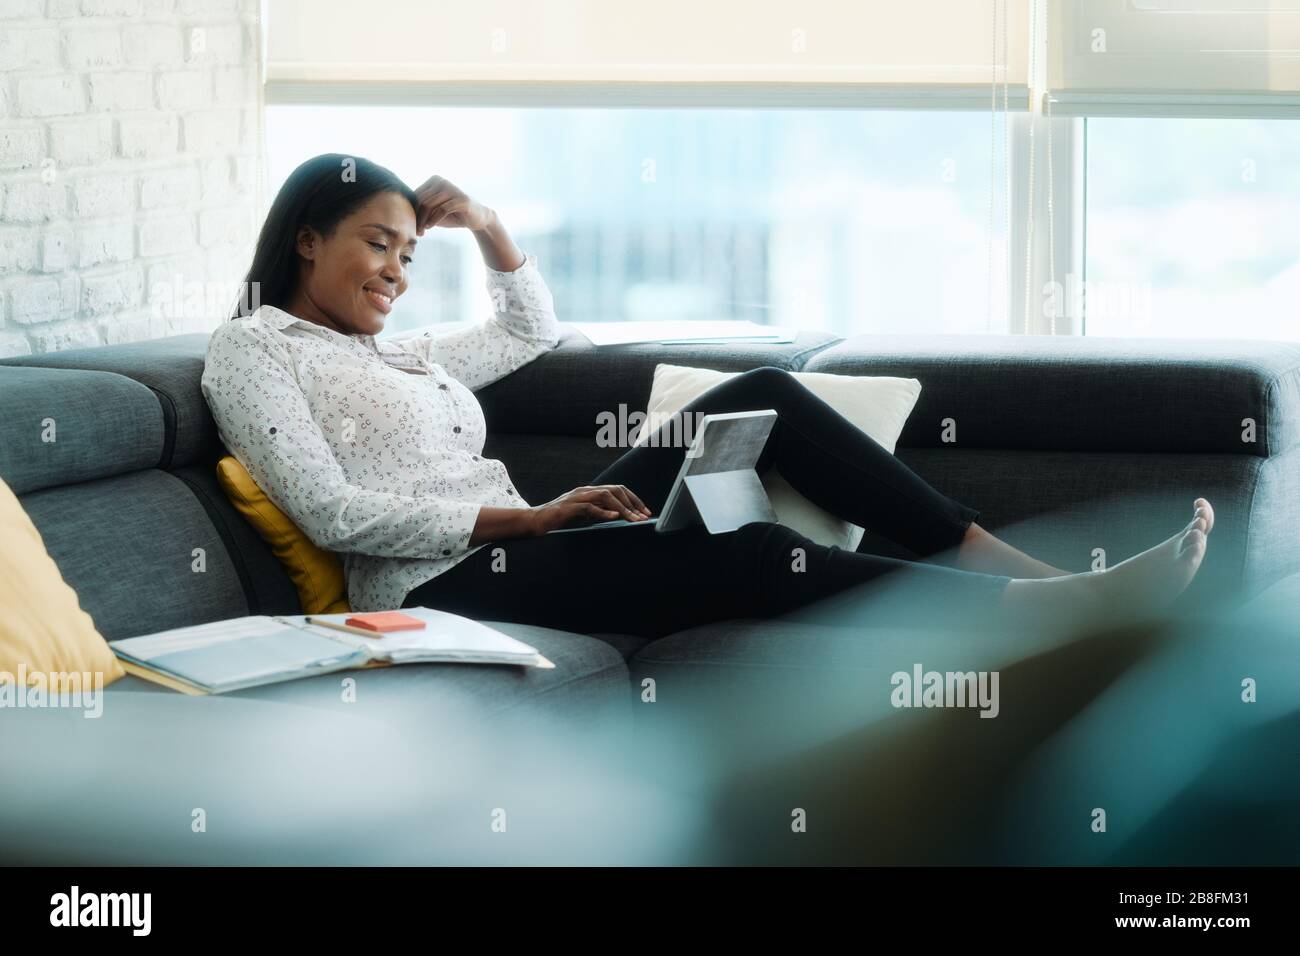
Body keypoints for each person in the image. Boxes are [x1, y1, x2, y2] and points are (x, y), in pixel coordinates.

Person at [201, 154, 1214, 641]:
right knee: (752, 550)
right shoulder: (254, 351)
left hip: (530, 539)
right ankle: (1040, 616)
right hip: (434, 591)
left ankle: (1015, 566)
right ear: (306, 239)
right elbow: (329, 509)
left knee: (767, 392)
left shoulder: (402, 352)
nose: (395, 271)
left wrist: (491, 227)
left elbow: (524, 330)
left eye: (409, 253)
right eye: (377, 244)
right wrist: (531, 512)